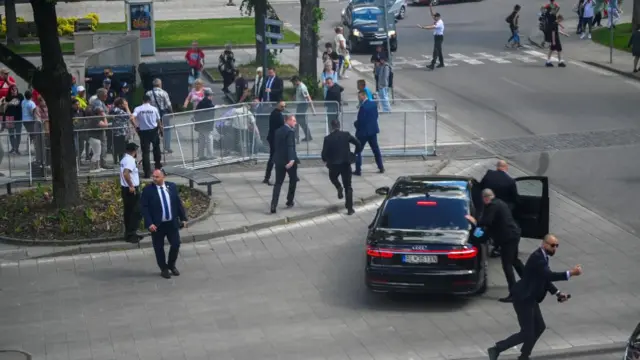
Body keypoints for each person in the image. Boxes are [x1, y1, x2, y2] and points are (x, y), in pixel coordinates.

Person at [487, 234, 583, 360]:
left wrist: (558, 293)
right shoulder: (538, 258)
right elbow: (549, 276)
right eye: (552, 245)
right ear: (544, 244)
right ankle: (497, 349)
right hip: (522, 298)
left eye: (556, 246)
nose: (555, 248)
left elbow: (544, 279)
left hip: (530, 297)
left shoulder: (543, 257)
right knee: (527, 333)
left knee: (539, 327)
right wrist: (570, 273)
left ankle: (524, 355)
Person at [465, 189, 525, 302]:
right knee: (514, 260)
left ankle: (514, 293)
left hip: (508, 238)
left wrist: (474, 222)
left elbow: (486, 222)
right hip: (513, 234)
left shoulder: (492, 206)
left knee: (507, 264)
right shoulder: (499, 202)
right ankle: (529, 281)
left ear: (485, 198)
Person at [140, 169, 188, 279]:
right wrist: (149, 223)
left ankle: (171, 265)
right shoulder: (148, 190)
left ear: (163, 177)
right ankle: (164, 268)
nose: (154, 179)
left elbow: (177, 203)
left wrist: (183, 218)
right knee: (159, 248)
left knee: (176, 244)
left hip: (171, 223)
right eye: (153, 177)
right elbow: (144, 208)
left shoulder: (171, 187)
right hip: (157, 225)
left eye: (157, 177)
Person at [479, 159, 519, 257]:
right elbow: (515, 198)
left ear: (497, 167)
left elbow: (481, 186)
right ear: (506, 168)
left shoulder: (489, 174)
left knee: (487, 225)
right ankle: (499, 247)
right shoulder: (510, 181)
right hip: (503, 211)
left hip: (488, 208)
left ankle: (484, 241)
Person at [321, 119, 361, 215]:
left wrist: (326, 160)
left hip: (334, 165)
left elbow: (323, 154)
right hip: (345, 163)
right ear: (339, 125)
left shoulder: (327, 138)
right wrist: (355, 153)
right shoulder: (346, 135)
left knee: (333, 177)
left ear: (331, 127)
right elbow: (358, 143)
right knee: (348, 186)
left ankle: (338, 187)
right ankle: (350, 208)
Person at [269, 114, 299, 214]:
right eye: (294, 121)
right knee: (293, 180)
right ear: (288, 121)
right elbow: (290, 146)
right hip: (288, 161)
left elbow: (276, 145)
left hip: (279, 160)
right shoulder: (290, 132)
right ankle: (289, 200)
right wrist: (291, 159)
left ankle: (273, 204)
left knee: (278, 183)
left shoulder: (278, 131)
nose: (295, 123)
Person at [354, 91, 384, 176]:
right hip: (373, 131)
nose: (358, 98)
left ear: (363, 96)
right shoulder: (373, 104)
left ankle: (358, 170)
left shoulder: (363, 107)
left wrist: (355, 124)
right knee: (376, 150)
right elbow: (376, 116)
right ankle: (381, 167)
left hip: (363, 133)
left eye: (359, 97)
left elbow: (361, 120)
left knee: (358, 151)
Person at [133, 94, 163, 178]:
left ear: (142, 100)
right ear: (149, 101)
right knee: (156, 150)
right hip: (153, 131)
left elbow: (132, 117)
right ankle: (158, 168)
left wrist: (136, 127)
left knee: (145, 153)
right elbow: (158, 121)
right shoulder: (154, 109)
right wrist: (161, 130)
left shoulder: (138, 109)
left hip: (143, 132)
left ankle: (147, 173)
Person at [120, 142, 142, 243]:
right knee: (135, 211)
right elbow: (126, 173)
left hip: (125, 189)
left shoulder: (125, 159)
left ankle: (129, 233)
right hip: (131, 189)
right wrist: (131, 185)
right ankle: (131, 234)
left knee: (128, 212)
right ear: (133, 151)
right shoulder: (130, 160)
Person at [263, 101, 285, 185]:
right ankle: (267, 177)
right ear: (278, 106)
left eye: (284, 106)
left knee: (276, 157)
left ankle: (267, 177)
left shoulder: (274, 113)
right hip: (276, 139)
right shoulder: (278, 115)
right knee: (274, 158)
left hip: (273, 138)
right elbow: (281, 126)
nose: (283, 108)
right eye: (282, 106)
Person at [418, 4, 445, 70]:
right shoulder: (437, 20)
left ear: (438, 17)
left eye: (435, 17)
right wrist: (430, 7)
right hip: (437, 37)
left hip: (439, 38)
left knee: (435, 51)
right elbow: (432, 14)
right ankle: (442, 63)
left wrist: (423, 27)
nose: (434, 18)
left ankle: (432, 65)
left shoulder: (439, 23)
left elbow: (431, 27)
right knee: (439, 51)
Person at [109, 98, 136, 163]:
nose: (126, 104)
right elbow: (130, 116)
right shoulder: (119, 111)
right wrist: (127, 107)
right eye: (124, 103)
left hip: (117, 131)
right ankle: (121, 161)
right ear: (120, 104)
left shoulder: (114, 109)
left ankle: (116, 160)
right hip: (120, 131)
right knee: (121, 148)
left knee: (117, 147)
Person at [291, 75, 315, 142]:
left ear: (296, 81)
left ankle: (305, 136)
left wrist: (313, 110)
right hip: (300, 105)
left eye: (293, 82)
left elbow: (308, 98)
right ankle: (305, 136)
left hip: (303, 105)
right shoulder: (298, 86)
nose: (292, 84)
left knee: (300, 121)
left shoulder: (302, 87)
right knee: (299, 121)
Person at [194, 88, 216, 160]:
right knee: (209, 138)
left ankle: (201, 155)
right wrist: (219, 106)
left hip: (200, 124)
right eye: (212, 95)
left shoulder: (201, 102)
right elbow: (212, 108)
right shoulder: (208, 101)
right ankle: (210, 155)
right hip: (206, 124)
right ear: (209, 95)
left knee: (202, 139)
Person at [2, 85, 24, 154]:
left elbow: (16, 102)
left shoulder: (20, 96)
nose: (14, 91)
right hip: (9, 117)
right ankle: (13, 148)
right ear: (10, 90)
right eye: (12, 89)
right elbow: (4, 108)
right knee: (11, 134)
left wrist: (7, 103)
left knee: (18, 134)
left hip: (18, 118)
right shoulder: (7, 97)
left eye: (15, 89)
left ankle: (17, 148)